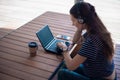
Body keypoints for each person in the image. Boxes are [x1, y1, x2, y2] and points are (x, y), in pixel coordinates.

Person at [57, 1, 117, 80]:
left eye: (73, 20)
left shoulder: (92, 41)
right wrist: (79, 29)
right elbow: (75, 41)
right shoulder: (96, 29)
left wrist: (65, 50)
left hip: (101, 78)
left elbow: (71, 66)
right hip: (99, 72)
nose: (72, 24)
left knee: (62, 73)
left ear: (81, 20)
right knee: (65, 64)